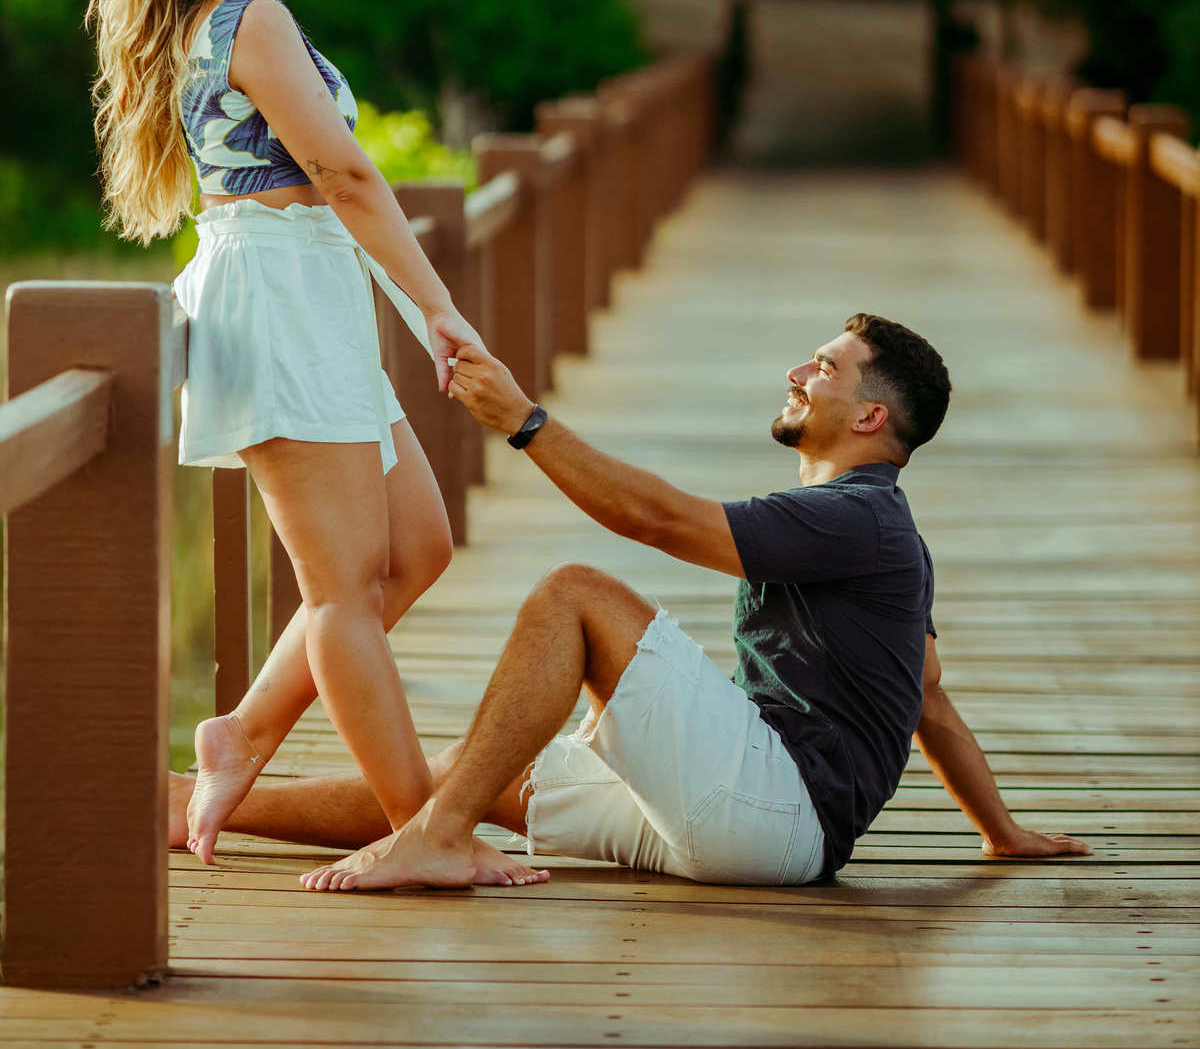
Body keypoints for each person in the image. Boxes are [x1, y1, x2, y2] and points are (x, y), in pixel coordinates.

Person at [166, 313, 1091, 888]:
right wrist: (999, 834)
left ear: (869, 417)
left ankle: (433, 840)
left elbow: (654, 519)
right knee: (486, 770)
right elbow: (925, 690)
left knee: (577, 597)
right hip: (764, 821)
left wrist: (524, 422)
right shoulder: (886, 536)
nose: (798, 374)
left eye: (824, 367)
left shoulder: (861, 519)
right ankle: (192, 807)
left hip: (777, 809)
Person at [86, 0, 541, 886]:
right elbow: (344, 177)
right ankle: (420, 839)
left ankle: (238, 735)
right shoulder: (250, 17)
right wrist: (441, 308)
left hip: (306, 289)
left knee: (415, 550)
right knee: (341, 590)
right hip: (284, 295)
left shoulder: (235, 18)